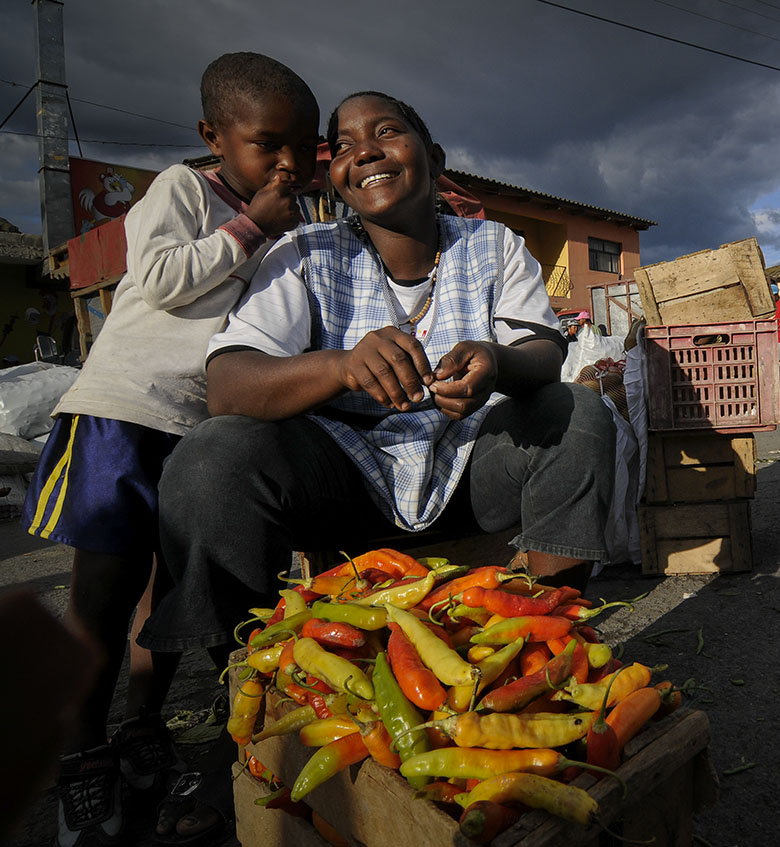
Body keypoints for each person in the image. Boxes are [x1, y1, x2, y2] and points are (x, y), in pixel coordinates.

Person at [137, 91, 613, 655]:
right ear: (334, 176)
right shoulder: (302, 252)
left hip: (469, 474)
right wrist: (338, 366)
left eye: (386, 132)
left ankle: (550, 637)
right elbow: (229, 384)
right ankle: (249, 671)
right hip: (340, 489)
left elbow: (542, 348)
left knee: (576, 410)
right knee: (217, 449)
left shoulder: (494, 245)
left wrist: (495, 360)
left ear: (433, 159)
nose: (364, 152)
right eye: (342, 145)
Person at [21, 53, 318, 847]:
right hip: (124, 414)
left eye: (305, 146)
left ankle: (140, 727)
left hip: (198, 431)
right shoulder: (184, 191)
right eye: (269, 143)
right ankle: (82, 761)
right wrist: (252, 223)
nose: (289, 162)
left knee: (167, 598)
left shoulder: (293, 229)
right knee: (103, 601)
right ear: (212, 137)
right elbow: (155, 279)